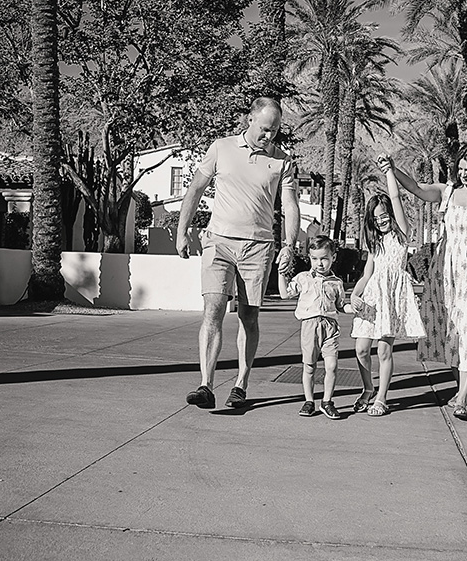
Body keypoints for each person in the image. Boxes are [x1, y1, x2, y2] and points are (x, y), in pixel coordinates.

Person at [176, 97, 300, 410]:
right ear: (249, 120)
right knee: (213, 310)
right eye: (264, 128)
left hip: (258, 247)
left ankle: (241, 384)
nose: (269, 135)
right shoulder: (221, 148)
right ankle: (206, 384)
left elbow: (289, 205)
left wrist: (289, 244)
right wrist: (182, 230)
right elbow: (195, 189)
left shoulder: (282, 161)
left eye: (274, 130)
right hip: (219, 242)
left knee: (248, 316)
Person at [382, 143, 467, 421]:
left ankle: (463, 398)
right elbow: (416, 188)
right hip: (446, 269)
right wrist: (393, 169)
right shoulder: (447, 192)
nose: (463, 174)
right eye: (460, 168)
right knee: (452, 331)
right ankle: (459, 388)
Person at [347, 162, 425, 417]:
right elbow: (367, 274)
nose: (381, 221)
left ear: (391, 215)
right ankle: (368, 388)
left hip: (391, 297)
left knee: (383, 349)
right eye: (376, 218)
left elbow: (395, 195)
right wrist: (355, 294)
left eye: (384, 216)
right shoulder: (375, 243)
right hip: (371, 298)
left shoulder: (402, 233)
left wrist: (389, 171)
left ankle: (382, 397)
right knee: (360, 349)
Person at [278, 235, 346, 419]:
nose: (319, 263)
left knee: (331, 366)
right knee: (309, 367)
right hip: (309, 326)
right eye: (315, 258)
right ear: (309, 257)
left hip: (330, 327)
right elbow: (285, 294)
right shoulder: (303, 278)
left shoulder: (337, 282)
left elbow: (341, 306)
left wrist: (354, 307)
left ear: (333, 257)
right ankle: (309, 401)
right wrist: (281, 274)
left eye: (324, 258)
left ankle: (327, 402)